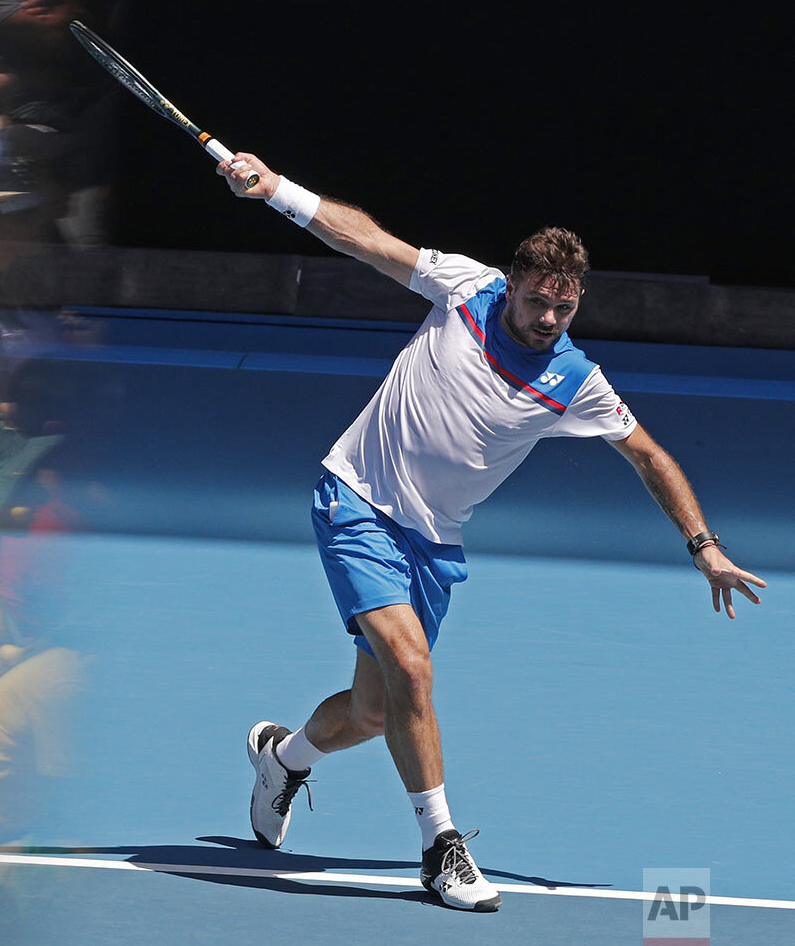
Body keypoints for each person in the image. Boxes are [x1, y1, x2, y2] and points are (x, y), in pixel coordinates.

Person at [215, 152, 768, 912]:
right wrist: (274, 188)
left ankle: (283, 757)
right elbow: (365, 241)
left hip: (434, 544)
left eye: (564, 309)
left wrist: (703, 545)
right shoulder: (465, 286)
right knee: (411, 670)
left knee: (375, 712)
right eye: (539, 301)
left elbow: (649, 455)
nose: (548, 320)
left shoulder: (574, 379)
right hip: (357, 498)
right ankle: (442, 849)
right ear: (513, 284)